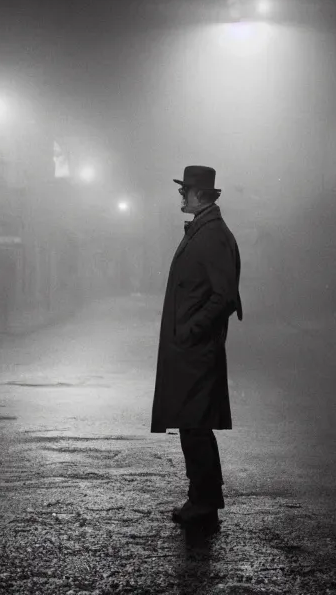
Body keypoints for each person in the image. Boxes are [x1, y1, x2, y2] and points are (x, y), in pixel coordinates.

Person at [151, 165, 242, 525]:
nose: (181, 196)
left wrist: (191, 330)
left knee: (195, 425)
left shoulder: (212, 234)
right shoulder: (205, 231)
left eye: (184, 191)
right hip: (192, 350)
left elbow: (224, 296)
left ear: (199, 194)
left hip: (196, 351)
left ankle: (203, 503)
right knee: (193, 425)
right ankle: (203, 498)